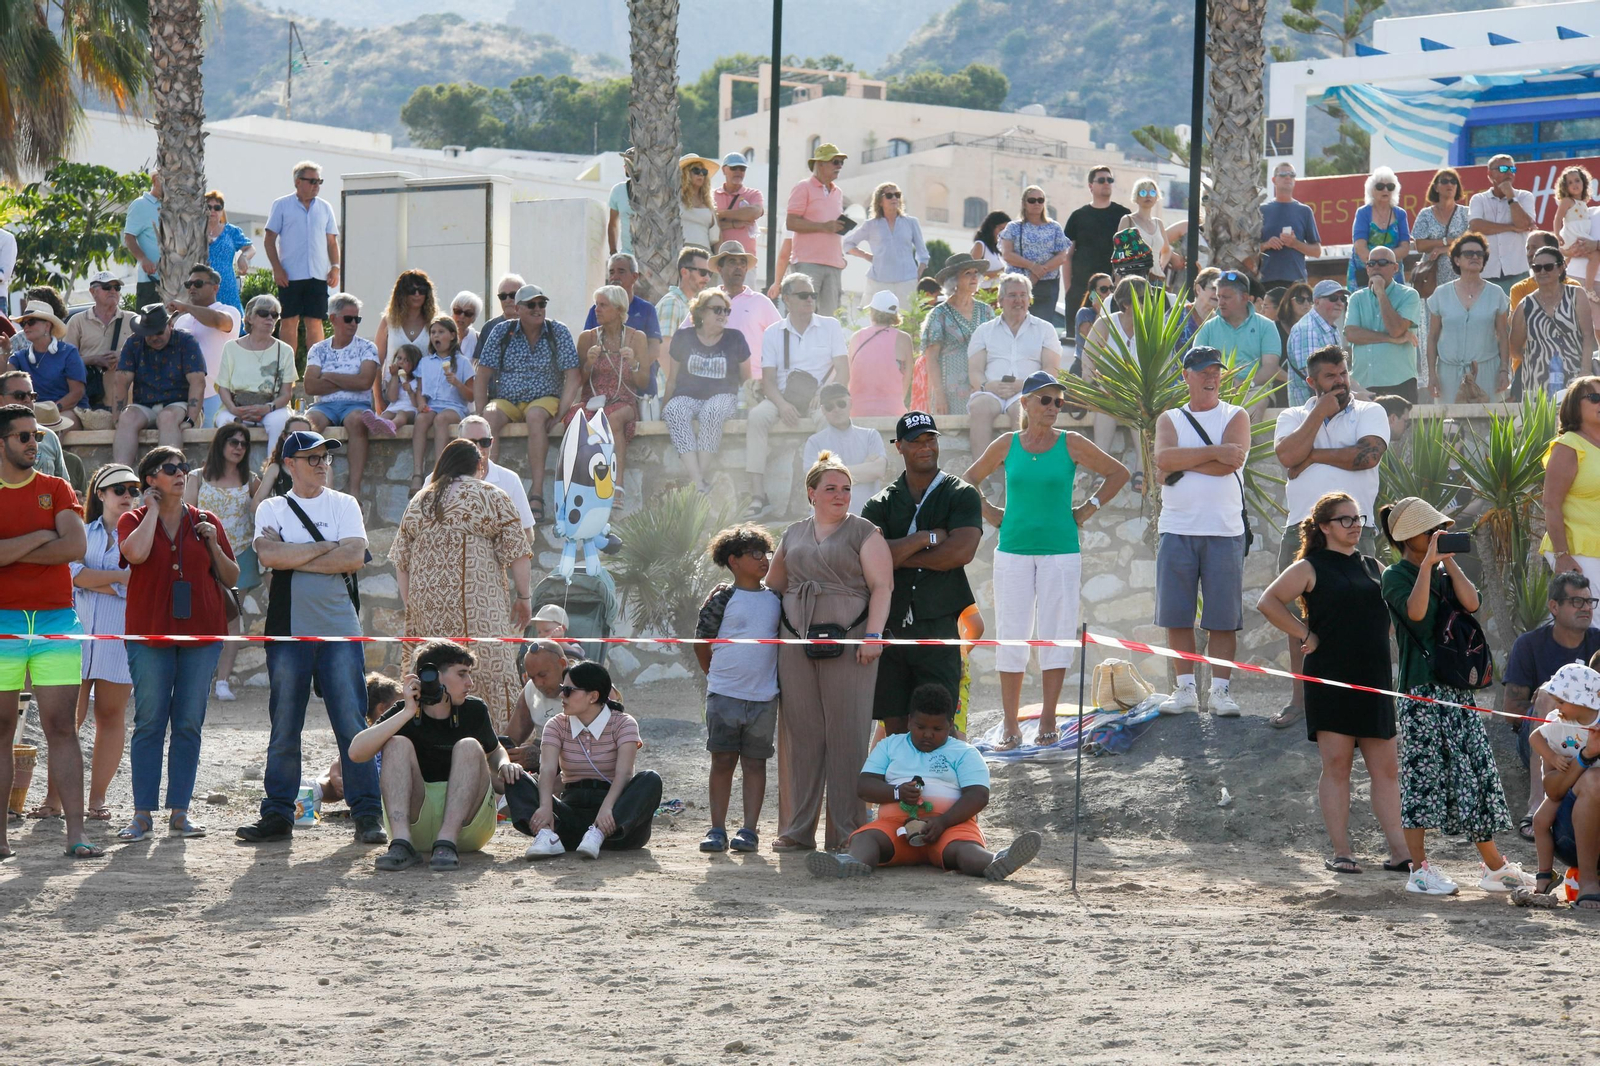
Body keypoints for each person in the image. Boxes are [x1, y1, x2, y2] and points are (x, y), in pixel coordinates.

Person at [964, 371, 1129, 749]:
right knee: (1011, 635)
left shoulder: (1071, 443)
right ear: (1025, 403)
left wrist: (1088, 508)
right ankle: (1010, 723)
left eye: (1059, 401)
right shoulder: (1007, 444)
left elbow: (1117, 473)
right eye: (1046, 400)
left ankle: (1048, 719)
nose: (1054, 407)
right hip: (1013, 551)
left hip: (1061, 551)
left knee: (1056, 634)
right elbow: (969, 479)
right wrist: (991, 512)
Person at [237, 430, 386, 846]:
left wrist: (296, 553)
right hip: (288, 629)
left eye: (326, 458)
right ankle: (277, 814)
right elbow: (269, 556)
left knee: (351, 723)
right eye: (312, 458)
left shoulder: (345, 503)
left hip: (340, 629)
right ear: (289, 465)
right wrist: (326, 547)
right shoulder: (272, 506)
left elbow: (353, 557)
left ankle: (367, 814)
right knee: (285, 724)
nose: (322, 465)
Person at [1379, 496, 1534, 896]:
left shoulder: (1444, 572)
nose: (1437, 535)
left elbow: (1473, 603)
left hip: (1457, 691)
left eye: (1439, 529)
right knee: (1423, 778)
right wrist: (1427, 566)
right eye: (1429, 530)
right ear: (1407, 537)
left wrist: (1447, 562)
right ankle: (1419, 870)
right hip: (1420, 692)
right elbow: (1415, 613)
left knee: (1475, 773)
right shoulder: (1395, 575)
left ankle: (1495, 867)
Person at [1255, 491, 1409, 875]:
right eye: (1346, 519)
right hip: (1330, 676)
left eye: (1358, 518)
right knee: (1337, 766)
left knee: (1386, 770)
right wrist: (1304, 633)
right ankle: (1342, 852)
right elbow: (1268, 601)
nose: (1355, 525)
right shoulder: (1309, 567)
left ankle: (1401, 853)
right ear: (1324, 526)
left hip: (1374, 676)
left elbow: (1393, 612)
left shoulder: (1373, 565)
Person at [765, 451, 893, 852]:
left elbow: (883, 587)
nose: (840, 495)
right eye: (831, 488)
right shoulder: (793, 533)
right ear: (812, 493)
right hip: (796, 643)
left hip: (851, 643)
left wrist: (873, 636)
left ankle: (847, 831)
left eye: (847, 489)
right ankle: (797, 829)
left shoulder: (865, 531)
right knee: (800, 734)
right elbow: (774, 584)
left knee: (847, 734)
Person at [114, 445, 238, 843]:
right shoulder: (133, 519)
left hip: (202, 635)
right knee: (149, 721)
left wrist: (212, 543)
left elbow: (232, 577)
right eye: (170, 468)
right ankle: (142, 814)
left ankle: (180, 812)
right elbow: (135, 554)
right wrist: (151, 510)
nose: (181, 473)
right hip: (149, 634)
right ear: (151, 479)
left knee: (188, 723)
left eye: (184, 467)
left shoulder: (206, 520)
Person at [811, 682, 1047, 883]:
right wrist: (896, 793)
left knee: (965, 851)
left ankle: (997, 861)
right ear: (909, 721)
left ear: (950, 725)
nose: (927, 734)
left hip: (951, 828)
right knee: (865, 838)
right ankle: (850, 863)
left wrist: (943, 822)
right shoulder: (890, 745)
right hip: (895, 828)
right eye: (920, 727)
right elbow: (864, 786)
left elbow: (978, 795)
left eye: (937, 729)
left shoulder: (965, 752)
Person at [1269, 345, 1389, 730]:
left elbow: (1367, 456)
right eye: (1330, 376)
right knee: (1296, 617)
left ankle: (1365, 700)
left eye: (1343, 373)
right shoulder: (1293, 416)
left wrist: (1314, 456)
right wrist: (1319, 414)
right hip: (1301, 530)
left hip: (1356, 528)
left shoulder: (1370, 411)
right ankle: (1300, 700)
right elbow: (1288, 456)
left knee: (1364, 616)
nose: (1340, 382)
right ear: (1311, 381)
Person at [0, 403, 92, 859]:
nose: (33, 443)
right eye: (23, 437)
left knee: (61, 729)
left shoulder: (56, 487)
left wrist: (12, 550)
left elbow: (75, 546)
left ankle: (76, 835)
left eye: (36, 435)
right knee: (1, 730)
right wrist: (42, 536)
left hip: (56, 620)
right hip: (3, 622)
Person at [391, 437, 532, 730]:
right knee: (485, 672)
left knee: (433, 673)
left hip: (428, 608)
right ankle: (494, 741)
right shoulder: (491, 495)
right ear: (479, 465)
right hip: (479, 607)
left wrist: (412, 607)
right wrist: (524, 597)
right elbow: (518, 553)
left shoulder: (420, 500)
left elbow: (401, 563)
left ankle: (433, 739)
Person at [351, 640, 520, 871]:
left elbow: (495, 750)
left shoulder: (474, 710)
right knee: (397, 743)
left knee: (469, 745)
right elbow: (356, 753)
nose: (470, 683)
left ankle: (446, 841)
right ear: (433, 676)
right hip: (416, 827)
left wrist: (504, 764)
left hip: (468, 829)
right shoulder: (405, 710)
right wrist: (408, 712)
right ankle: (401, 843)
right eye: (462, 674)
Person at [862, 411, 982, 736]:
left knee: (939, 726)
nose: (926, 447)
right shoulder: (879, 504)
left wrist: (898, 556)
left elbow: (961, 552)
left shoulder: (961, 494)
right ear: (899, 446)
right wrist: (923, 539)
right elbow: (871, 559)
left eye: (931, 439)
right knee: (895, 728)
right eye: (916, 441)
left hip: (939, 627)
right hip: (890, 629)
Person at [1152, 347, 1251, 717]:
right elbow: (1163, 458)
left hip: (1224, 530)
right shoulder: (1170, 418)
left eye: (1215, 371)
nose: (1211, 377)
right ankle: (1185, 690)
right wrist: (1214, 452)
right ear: (1186, 375)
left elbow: (1231, 463)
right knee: (1176, 615)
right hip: (1177, 528)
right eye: (1203, 371)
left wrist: (1182, 463)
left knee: (1223, 618)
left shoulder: (1236, 415)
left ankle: (1220, 692)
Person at [695, 524, 782, 853]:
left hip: (764, 698)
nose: (764, 559)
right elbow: (701, 642)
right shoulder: (722, 598)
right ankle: (716, 829)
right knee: (722, 761)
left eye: (766, 553)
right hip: (724, 696)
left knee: (755, 764)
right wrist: (715, 676)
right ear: (733, 561)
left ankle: (749, 830)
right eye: (755, 554)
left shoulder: (776, 599)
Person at [60, 464, 139, 823]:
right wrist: (119, 578)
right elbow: (71, 574)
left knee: (111, 715)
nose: (127, 496)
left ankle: (97, 800)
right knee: (66, 720)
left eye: (133, 490)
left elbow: (137, 584)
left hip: (118, 636)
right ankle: (53, 799)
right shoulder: (82, 530)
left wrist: (93, 579)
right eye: (119, 489)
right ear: (101, 494)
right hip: (75, 635)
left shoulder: (139, 535)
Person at [522, 660, 662, 859]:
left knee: (650, 778)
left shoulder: (623, 723)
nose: (561, 695)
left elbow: (624, 773)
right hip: (571, 810)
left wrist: (607, 810)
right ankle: (547, 836)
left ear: (593, 696)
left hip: (615, 821)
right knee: (516, 777)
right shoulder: (556, 725)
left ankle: (597, 834)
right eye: (562, 689)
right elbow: (547, 769)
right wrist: (545, 807)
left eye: (568, 691)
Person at [1503, 571, 1600, 841]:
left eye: (1589, 601)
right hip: (1543, 739)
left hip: (1590, 735)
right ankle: (1537, 802)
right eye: (1576, 602)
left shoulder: (1598, 643)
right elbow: (1511, 711)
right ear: (1554, 607)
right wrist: (1558, 706)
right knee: (1547, 694)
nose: (1586, 608)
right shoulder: (1529, 645)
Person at [744, 273, 849, 520]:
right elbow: (768, 381)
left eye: (812, 295)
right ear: (787, 299)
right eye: (803, 295)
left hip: (818, 398)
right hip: (782, 396)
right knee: (757, 417)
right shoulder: (773, 332)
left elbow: (843, 371)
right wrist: (782, 405)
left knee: (828, 420)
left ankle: (825, 492)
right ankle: (758, 496)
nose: (810, 299)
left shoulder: (830, 326)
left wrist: (826, 394)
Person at [475, 284, 580, 520]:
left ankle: (537, 493)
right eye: (531, 304)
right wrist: (479, 413)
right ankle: (485, 489)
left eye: (542, 303)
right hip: (507, 400)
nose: (537, 309)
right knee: (489, 417)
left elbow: (573, 376)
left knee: (535, 416)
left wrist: (561, 413)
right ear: (518, 309)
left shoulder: (558, 331)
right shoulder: (502, 331)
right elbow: (482, 374)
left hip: (544, 399)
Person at [182, 423, 260, 702]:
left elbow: (264, 509)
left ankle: (223, 681)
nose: (239, 448)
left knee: (232, 617)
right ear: (220, 444)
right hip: (202, 556)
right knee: (196, 617)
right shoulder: (196, 477)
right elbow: (186, 516)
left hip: (240, 557)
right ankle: (196, 679)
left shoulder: (251, 479)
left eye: (244, 444)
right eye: (233, 442)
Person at [1522, 663, 1600, 901]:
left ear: (1582, 700)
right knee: (1539, 821)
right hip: (1568, 789)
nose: (1557, 706)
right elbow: (1535, 737)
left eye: (1562, 701)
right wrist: (1552, 757)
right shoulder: (1558, 722)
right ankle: (1545, 874)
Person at [966, 274, 1063, 460]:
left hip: (1029, 391)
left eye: (1023, 295)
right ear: (1001, 300)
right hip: (992, 391)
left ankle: (1021, 470)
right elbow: (975, 370)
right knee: (979, 407)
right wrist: (987, 386)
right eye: (1012, 295)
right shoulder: (984, 331)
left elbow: (1052, 369)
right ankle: (980, 473)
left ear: (1029, 299)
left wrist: (1025, 385)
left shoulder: (1045, 329)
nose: (1018, 300)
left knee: (1024, 408)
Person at [663, 288, 750, 495]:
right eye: (717, 309)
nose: (723, 314)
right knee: (674, 411)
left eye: (726, 310)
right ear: (701, 311)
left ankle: (696, 482)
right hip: (687, 397)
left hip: (723, 397)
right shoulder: (683, 337)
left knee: (712, 412)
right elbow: (672, 379)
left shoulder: (735, 338)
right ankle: (699, 483)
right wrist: (663, 407)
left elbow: (747, 380)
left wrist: (748, 409)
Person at [303, 293, 382, 499]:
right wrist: (349, 380)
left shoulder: (367, 347)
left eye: (357, 319)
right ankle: (307, 484)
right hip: (323, 407)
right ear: (333, 319)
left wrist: (329, 376)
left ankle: (354, 490)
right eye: (349, 319)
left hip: (356, 404)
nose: (354, 323)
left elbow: (365, 382)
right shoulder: (318, 349)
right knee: (306, 426)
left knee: (357, 421)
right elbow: (310, 386)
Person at [111, 304, 206, 467]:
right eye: (149, 333)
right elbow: (121, 381)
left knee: (167, 417)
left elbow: (198, 382)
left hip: (179, 404)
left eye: (159, 332)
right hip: (144, 405)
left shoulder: (187, 342)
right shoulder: (133, 343)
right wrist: (117, 419)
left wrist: (190, 419)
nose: (154, 337)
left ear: (170, 325)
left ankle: (169, 471)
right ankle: (121, 473)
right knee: (127, 417)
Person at [573, 284, 650, 481]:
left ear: (618, 309)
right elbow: (578, 381)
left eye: (603, 305)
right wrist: (589, 364)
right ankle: (586, 482)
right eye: (596, 304)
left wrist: (633, 364)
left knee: (612, 418)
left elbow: (643, 382)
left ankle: (618, 483)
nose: (596, 309)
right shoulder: (587, 338)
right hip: (592, 400)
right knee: (577, 419)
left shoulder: (636, 338)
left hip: (623, 400)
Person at [1425, 232, 1510, 403]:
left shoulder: (1496, 293)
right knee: (1449, 420)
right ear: (1457, 260)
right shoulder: (1441, 294)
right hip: (1448, 375)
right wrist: (1432, 374)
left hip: (1488, 372)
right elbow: (1432, 337)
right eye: (1469, 253)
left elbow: (1502, 335)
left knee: (1489, 420)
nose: (1475, 257)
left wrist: (1504, 370)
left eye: (1479, 254)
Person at [264, 160, 340, 350]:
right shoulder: (282, 205)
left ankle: (316, 366)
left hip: (318, 274)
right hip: (290, 275)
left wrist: (335, 267)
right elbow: (269, 239)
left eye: (319, 181)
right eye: (312, 181)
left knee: (315, 321)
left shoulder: (325, 207)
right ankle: (287, 367)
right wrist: (277, 269)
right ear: (298, 182)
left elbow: (332, 242)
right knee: (289, 320)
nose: (316, 185)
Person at [214, 293, 299, 451]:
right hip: (237, 406)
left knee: (279, 423)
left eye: (274, 315)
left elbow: (286, 393)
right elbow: (223, 387)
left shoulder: (285, 350)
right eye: (263, 313)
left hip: (271, 407)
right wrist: (234, 409)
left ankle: (273, 465)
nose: (270, 318)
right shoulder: (231, 348)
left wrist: (268, 408)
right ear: (249, 318)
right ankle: (228, 466)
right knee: (227, 423)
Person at [1512, 247, 1596, 399]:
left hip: (1575, 377)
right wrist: (1537, 358)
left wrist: (1585, 371)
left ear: (1561, 267)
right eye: (1537, 268)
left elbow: (1588, 335)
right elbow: (1514, 349)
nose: (1542, 272)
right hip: (1537, 381)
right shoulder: (1525, 305)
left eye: (1548, 267)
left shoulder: (1576, 294)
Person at [406, 314, 476, 493]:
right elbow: (420, 389)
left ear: (452, 335)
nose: (436, 336)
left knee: (441, 419)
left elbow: (471, 396)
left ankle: (440, 471)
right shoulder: (425, 362)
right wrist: (421, 403)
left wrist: (457, 383)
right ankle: (417, 472)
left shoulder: (462, 362)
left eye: (441, 332)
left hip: (454, 406)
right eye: (433, 332)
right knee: (421, 419)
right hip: (432, 404)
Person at [169, 263, 244, 427]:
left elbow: (217, 321)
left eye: (198, 283)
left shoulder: (230, 311)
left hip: (217, 395)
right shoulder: (181, 320)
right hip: (184, 395)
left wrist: (186, 307)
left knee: (213, 440)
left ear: (215, 288)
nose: (192, 288)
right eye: (189, 284)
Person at [1344, 247, 1422, 404]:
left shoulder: (1409, 295)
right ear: (1367, 269)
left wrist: (1381, 293)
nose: (1376, 267)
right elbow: (1351, 334)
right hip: (1363, 384)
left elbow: (1396, 330)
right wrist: (1390, 340)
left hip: (1400, 382)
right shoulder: (1356, 298)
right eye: (1371, 263)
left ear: (1395, 268)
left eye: (1382, 262)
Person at [1541, 376, 1600, 580]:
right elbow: (1551, 503)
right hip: (1578, 551)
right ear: (1575, 405)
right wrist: (1562, 555)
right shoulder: (1568, 446)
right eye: (1595, 398)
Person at [921, 253, 994, 417]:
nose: (974, 277)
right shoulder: (939, 314)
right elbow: (931, 359)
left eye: (976, 272)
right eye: (967, 273)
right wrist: (939, 395)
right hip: (949, 393)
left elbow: (995, 351)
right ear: (953, 280)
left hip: (981, 389)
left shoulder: (986, 311)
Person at [63, 271, 138, 425]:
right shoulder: (77, 321)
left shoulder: (133, 319)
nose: (113, 291)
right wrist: (94, 360)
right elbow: (65, 361)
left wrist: (123, 357)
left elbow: (145, 355)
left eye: (117, 287)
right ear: (93, 292)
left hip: (126, 396)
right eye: (107, 287)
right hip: (90, 394)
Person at [1063, 166, 1132, 328]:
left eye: (1109, 180)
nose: (1106, 183)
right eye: (1101, 180)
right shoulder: (1078, 216)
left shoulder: (1123, 215)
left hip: (1113, 290)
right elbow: (1067, 255)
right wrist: (1068, 289)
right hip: (1081, 289)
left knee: (1111, 336)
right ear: (1090, 186)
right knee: (1077, 338)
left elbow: (1129, 253)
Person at [785, 142, 849, 316]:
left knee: (830, 319)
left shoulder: (838, 192)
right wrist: (824, 227)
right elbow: (791, 222)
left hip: (833, 264)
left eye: (841, 162)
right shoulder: (803, 187)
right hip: (808, 262)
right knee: (803, 315)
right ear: (820, 164)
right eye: (835, 162)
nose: (839, 166)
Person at [318, 673, 401, 807]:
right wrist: (335, 778)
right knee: (333, 782)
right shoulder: (367, 735)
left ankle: (315, 789)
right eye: (401, 704)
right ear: (382, 709)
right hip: (367, 784)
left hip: (390, 787)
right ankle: (314, 789)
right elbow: (341, 759)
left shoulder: (401, 734)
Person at [802, 384, 886, 516]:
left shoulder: (871, 435)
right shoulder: (814, 442)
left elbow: (878, 470)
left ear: (850, 403)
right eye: (829, 407)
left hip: (866, 517)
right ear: (823, 410)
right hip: (827, 520)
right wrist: (865, 467)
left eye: (841, 403)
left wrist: (832, 473)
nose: (836, 409)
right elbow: (816, 480)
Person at [844, 181, 930, 310]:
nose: (894, 198)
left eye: (897, 195)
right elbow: (848, 244)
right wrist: (867, 256)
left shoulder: (911, 223)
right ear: (880, 201)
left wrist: (917, 275)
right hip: (878, 281)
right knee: (873, 318)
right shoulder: (871, 225)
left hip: (907, 282)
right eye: (889, 195)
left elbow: (923, 254)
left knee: (907, 320)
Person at [1191, 270, 1281, 385]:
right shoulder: (1207, 328)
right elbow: (1196, 364)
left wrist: (1246, 385)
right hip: (1215, 388)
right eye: (1219, 297)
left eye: (1226, 297)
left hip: (1255, 388)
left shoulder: (1266, 326)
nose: (1220, 303)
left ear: (1244, 297)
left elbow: (1270, 366)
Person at [999, 186, 1072, 326]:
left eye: (1040, 200)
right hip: (1017, 285)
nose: (1037, 203)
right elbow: (1007, 254)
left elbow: (1062, 256)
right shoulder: (1013, 227)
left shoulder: (1054, 227)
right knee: (1016, 322)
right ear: (1024, 203)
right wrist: (1032, 266)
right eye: (1032, 200)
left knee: (1041, 325)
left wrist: (1039, 272)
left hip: (1047, 285)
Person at [372, 269, 437, 416]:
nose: (417, 294)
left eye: (422, 290)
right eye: (411, 290)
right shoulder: (388, 321)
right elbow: (376, 362)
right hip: (392, 392)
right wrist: (378, 398)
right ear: (401, 293)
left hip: (424, 394)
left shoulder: (434, 322)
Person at [10, 300, 85, 425]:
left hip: (67, 410)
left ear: (47, 326)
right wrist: (4, 352)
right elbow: (5, 380)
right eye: (23, 323)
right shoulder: (20, 356)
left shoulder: (68, 352)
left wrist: (51, 411)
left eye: (31, 322)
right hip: (35, 416)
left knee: (52, 428)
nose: (26, 327)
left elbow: (77, 393)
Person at [1469, 153, 1537, 293]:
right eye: (1503, 169)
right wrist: (1511, 227)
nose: (1509, 173)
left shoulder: (1525, 196)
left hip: (1518, 271)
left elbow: (1523, 224)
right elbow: (1476, 226)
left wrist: (1511, 196)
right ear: (1490, 174)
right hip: (1487, 272)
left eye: (1512, 169)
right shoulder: (1479, 199)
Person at [455, 415, 535, 531]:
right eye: (471, 442)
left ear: (491, 442)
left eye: (484, 442)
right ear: (458, 443)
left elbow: (526, 531)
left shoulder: (510, 480)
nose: (478, 448)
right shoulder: (437, 481)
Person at [583, 254, 663, 366]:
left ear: (634, 276)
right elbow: (586, 345)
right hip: (605, 374)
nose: (615, 277)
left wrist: (635, 368)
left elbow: (654, 350)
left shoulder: (647, 309)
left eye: (621, 272)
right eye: (611, 272)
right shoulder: (596, 310)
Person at [709, 241, 781, 360]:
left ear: (746, 269)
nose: (739, 267)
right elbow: (684, 334)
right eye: (732, 262)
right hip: (714, 370)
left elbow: (782, 337)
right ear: (720, 269)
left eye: (742, 263)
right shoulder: (707, 300)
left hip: (754, 372)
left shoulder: (761, 302)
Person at [847, 290, 913, 418]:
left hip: (858, 411)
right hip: (892, 410)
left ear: (872, 311)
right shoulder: (903, 339)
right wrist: (898, 401)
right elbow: (907, 376)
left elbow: (849, 374)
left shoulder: (856, 337)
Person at [1257, 161, 1323, 286]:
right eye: (1283, 174)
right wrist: (1266, 245)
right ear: (1274, 180)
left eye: (1292, 174)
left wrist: (1294, 243)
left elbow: (1317, 251)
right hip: (1266, 281)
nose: (1288, 177)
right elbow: (1249, 248)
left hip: (1296, 282)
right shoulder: (1261, 210)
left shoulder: (1304, 211)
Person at [1285, 281, 1346, 407]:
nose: (1340, 303)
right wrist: (1355, 395)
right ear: (1317, 302)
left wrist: (1361, 392)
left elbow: (1339, 372)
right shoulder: (1308, 329)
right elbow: (1316, 377)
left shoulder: (1330, 328)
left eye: (1343, 298)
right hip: (1309, 411)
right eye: (1333, 298)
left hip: (1328, 405)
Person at [1348, 167, 1410, 290]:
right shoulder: (1363, 213)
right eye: (1380, 186)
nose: (1385, 190)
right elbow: (1360, 247)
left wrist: (1385, 264)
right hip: (1365, 272)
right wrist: (1377, 265)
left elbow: (1405, 248)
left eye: (1390, 187)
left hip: (1393, 275)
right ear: (1371, 190)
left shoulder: (1400, 214)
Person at [1412, 168, 1472, 290]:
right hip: (1432, 278)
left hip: (1461, 276)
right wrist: (1446, 241)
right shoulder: (1425, 214)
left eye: (1453, 181)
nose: (1449, 184)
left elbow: (1471, 244)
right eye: (1444, 181)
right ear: (1436, 187)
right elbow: (1420, 246)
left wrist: (1443, 249)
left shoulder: (1466, 213)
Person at [0, 371, 67, 480]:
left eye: (31, 396)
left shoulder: (48, 436)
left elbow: (64, 482)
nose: (27, 400)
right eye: (19, 395)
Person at [202, 190, 253, 314]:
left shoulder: (231, 231)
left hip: (226, 285)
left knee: (232, 317)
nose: (212, 211)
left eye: (217, 207)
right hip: (201, 285)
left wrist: (243, 257)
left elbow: (250, 248)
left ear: (222, 211)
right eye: (208, 207)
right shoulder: (194, 231)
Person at [1556, 165, 1600, 305]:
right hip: (1573, 280)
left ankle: (1588, 287)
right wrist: (1566, 250)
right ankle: (1587, 287)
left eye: (1577, 180)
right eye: (1570, 182)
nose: (1574, 185)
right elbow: (1558, 222)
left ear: (1584, 183)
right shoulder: (1586, 210)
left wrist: (1596, 245)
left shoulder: (1584, 207)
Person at [1118, 177, 1172, 283]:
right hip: (1134, 277)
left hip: (1157, 278)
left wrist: (1161, 265)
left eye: (1152, 192)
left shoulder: (1158, 223)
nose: (1148, 196)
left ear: (1156, 197)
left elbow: (1166, 250)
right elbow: (1119, 251)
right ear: (1136, 197)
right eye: (1143, 192)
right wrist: (1118, 278)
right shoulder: (1128, 220)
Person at [713, 152, 764, 258]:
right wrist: (735, 223)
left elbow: (754, 213)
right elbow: (708, 225)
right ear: (724, 170)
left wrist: (721, 215)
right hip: (719, 258)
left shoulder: (753, 194)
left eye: (742, 169)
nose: (738, 172)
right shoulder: (712, 195)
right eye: (734, 168)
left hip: (746, 259)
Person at [122, 171, 162, 307]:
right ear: (155, 180)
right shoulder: (140, 204)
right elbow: (129, 237)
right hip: (151, 282)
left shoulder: (173, 206)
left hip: (177, 281)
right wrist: (143, 259)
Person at [656, 246, 712, 337]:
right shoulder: (672, 302)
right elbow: (665, 343)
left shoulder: (691, 306)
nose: (708, 278)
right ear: (684, 272)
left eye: (710, 273)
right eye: (703, 272)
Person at [678, 153, 719, 252]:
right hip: (681, 252)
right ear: (685, 174)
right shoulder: (676, 199)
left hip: (704, 254)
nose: (701, 174)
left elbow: (716, 238)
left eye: (704, 172)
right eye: (696, 170)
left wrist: (718, 259)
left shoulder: (709, 204)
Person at [1176, 267, 1219, 350]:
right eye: (1214, 288)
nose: (1218, 293)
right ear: (1198, 289)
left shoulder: (1221, 323)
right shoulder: (1178, 314)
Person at [480, 273, 526, 343]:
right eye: (503, 296)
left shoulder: (533, 325)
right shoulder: (489, 327)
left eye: (513, 295)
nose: (507, 300)